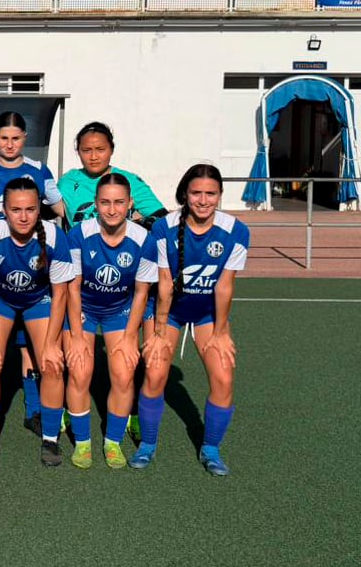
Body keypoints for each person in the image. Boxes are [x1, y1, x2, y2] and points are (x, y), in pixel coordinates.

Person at [134, 165, 250, 476]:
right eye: (196, 193)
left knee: (224, 377)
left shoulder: (236, 230)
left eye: (210, 193)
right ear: (185, 194)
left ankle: (210, 448)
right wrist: (158, 332)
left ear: (220, 195)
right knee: (156, 373)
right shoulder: (164, 228)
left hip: (205, 314)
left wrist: (221, 331)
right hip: (166, 312)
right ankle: (148, 444)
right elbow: (164, 283)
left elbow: (225, 286)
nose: (203, 200)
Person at [63, 173, 158, 471]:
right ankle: (82, 442)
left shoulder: (144, 239)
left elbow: (142, 292)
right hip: (84, 309)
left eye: (119, 202)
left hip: (120, 310)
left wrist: (131, 337)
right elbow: (72, 288)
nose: (112, 209)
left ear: (130, 203)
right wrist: (77, 336)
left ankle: (113, 441)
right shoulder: (79, 234)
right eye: (105, 202)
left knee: (124, 371)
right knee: (80, 370)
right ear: (95, 204)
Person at [0, 178, 73, 466]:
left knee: (52, 364)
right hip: (0, 300)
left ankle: (50, 440)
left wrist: (50, 344)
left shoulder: (55, 237)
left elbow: (60, 296)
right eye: (16, 209)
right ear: (4, 210)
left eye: (31, 209)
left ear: (39, 210)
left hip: (39, 301)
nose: (23, 216)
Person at [58, 121, 165, 229]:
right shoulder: (67, 182)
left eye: (100, 150)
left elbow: (162, 219)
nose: (94, 157)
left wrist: (138, 224)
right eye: (86, 150)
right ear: (78, 152)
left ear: (111, 150)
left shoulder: (129, 181)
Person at [0, 111, 65, 224]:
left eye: (16, 138)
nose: (9, 145)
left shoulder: (40, 171)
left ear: (24, 137)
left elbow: (64, 211)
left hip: (30, 241)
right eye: (4, 138)